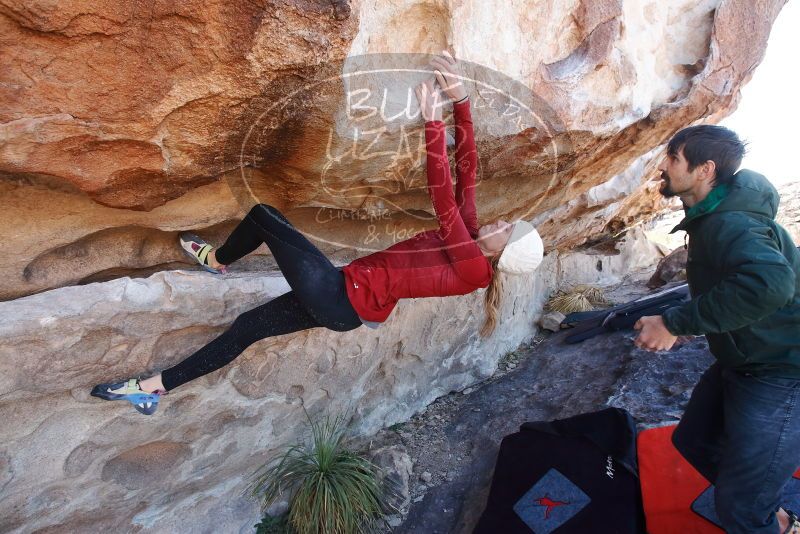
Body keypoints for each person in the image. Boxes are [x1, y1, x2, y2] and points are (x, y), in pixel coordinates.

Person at [91, 52, 544, 416]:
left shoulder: (471, 266)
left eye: (507, 230)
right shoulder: (471, 242)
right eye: (508, 222)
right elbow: (467, 175)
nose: (501, 223)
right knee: (246, 329)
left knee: (266, 215)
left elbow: (442, 194)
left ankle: (219, 260)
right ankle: (154, 388)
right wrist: (460, 103)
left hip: (338, 296)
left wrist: (432, 122)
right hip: (344, 303)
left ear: (499, 255)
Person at [633, 125, 800, 534]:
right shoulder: (711, 219)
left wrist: (674, 322)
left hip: (781, 371)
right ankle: (774, 516)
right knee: (696, 443)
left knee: (740, 509)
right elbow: (733, 289)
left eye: (674, 158)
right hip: (744, 360)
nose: (664, 166)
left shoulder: (731, 224)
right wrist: (701, 319)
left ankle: (760, 515)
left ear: (705, 169)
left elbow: (770, 285)